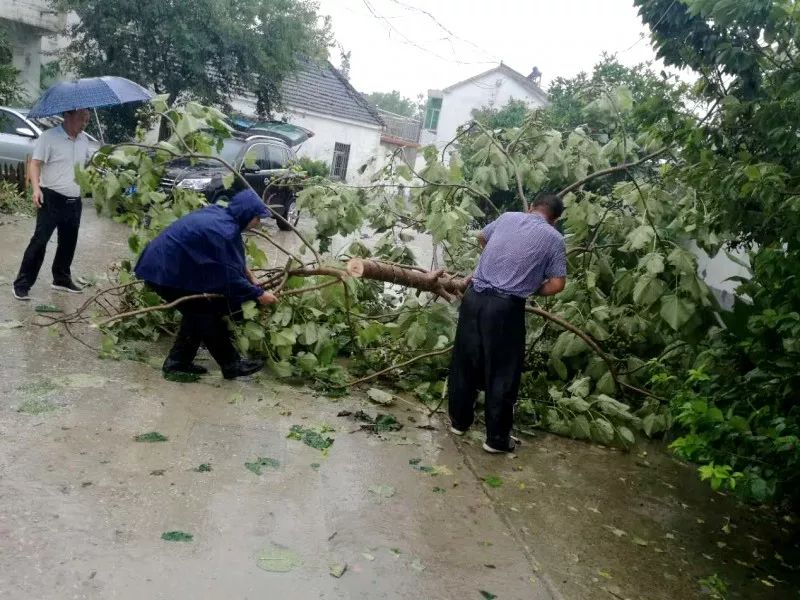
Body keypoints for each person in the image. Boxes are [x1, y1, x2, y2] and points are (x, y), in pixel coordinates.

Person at [448, 193, 568, 453]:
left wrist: (496, 263)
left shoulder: (507, 217)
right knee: (503, 372)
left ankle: (459, 422)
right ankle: (496, 440)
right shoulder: (554, 239)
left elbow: (481, 237)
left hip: (474, 299)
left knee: (465, 361)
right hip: (505, 309)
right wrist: (529, 286)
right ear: (555, 220)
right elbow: (558, 283)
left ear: (530, 207)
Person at [134, 188, 278, 379]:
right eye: (257, 218)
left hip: (169, 266)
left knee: (196, 313)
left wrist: (251, 278)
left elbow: (234, 260)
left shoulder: (224, 217)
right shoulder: (224, 232)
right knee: (206, 312)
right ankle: (231, 364)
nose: (258, 223)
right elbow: (229, 278)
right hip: (162, 271)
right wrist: (259, 295)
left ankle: (178, 362)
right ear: (246, 215)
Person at [12, 108, 92, 300]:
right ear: (68, 116)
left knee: (68, 242)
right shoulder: (48, 137)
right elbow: (35, 163)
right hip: (52, 197)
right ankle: (22, 284)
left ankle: (61, 279)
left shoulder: (84, 140)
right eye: (82, 119)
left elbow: (86, 165)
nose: (84, 124)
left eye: (87, 120)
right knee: (40, 241)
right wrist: (36, 189)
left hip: (74, 200)